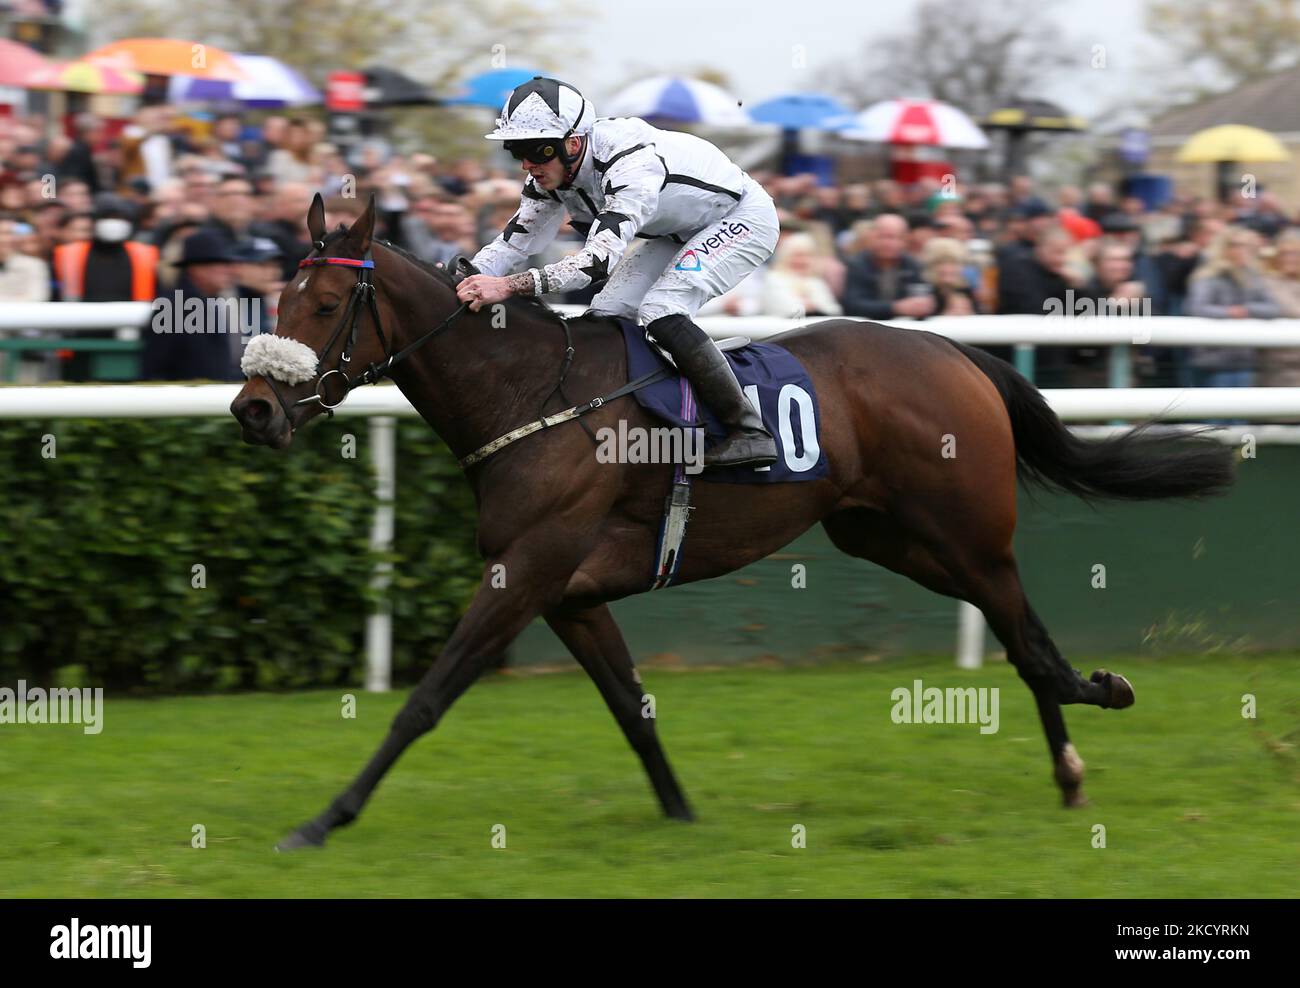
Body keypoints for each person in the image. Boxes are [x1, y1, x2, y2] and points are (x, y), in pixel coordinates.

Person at [455, 77, 780, 468]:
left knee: (660, 310)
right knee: (605, 316)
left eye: (533, 151)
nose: (526, 164)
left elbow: (595, 263)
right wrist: (455, 278)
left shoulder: (632, 163)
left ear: (572, 143)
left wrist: (508, 286)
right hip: (674, 231)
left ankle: (749, 432)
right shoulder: (551, 172)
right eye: (515, 151)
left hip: (741, 218)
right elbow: (512, 245)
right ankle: (635, 422)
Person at [141, 229, 243, 382]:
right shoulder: (172, 308)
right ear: (197, 269)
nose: (228, 271)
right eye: (220, 265)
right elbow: (154, 367)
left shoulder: (212, 303)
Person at [841, 214, 931, 320]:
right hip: (864, 329)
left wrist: (925, 305)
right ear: (871, 237)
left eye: (895, 237)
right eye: (883, 237)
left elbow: (923, 297)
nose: (888, 243)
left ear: (905, 240)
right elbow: (852, 305)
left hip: (905, 329)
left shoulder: (912, 265)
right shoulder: (857, 264)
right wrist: (896, 307)